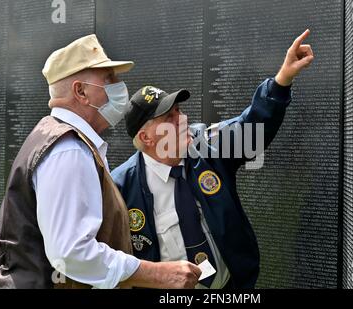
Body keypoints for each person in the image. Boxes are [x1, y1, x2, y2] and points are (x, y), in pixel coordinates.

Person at [0, 34, 201, 289]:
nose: (119, 86)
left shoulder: (62, 140)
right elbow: (71, 253)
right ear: (80, 91)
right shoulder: (68, 150)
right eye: (109, 78)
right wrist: (157, 274)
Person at [111, 30, 314, 288]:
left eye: (178, 111)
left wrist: (282, 79)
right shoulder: (121, 187)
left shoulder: (207, 147)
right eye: (169, 118)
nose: (182, 119)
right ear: (147, 137)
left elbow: (249, 127)